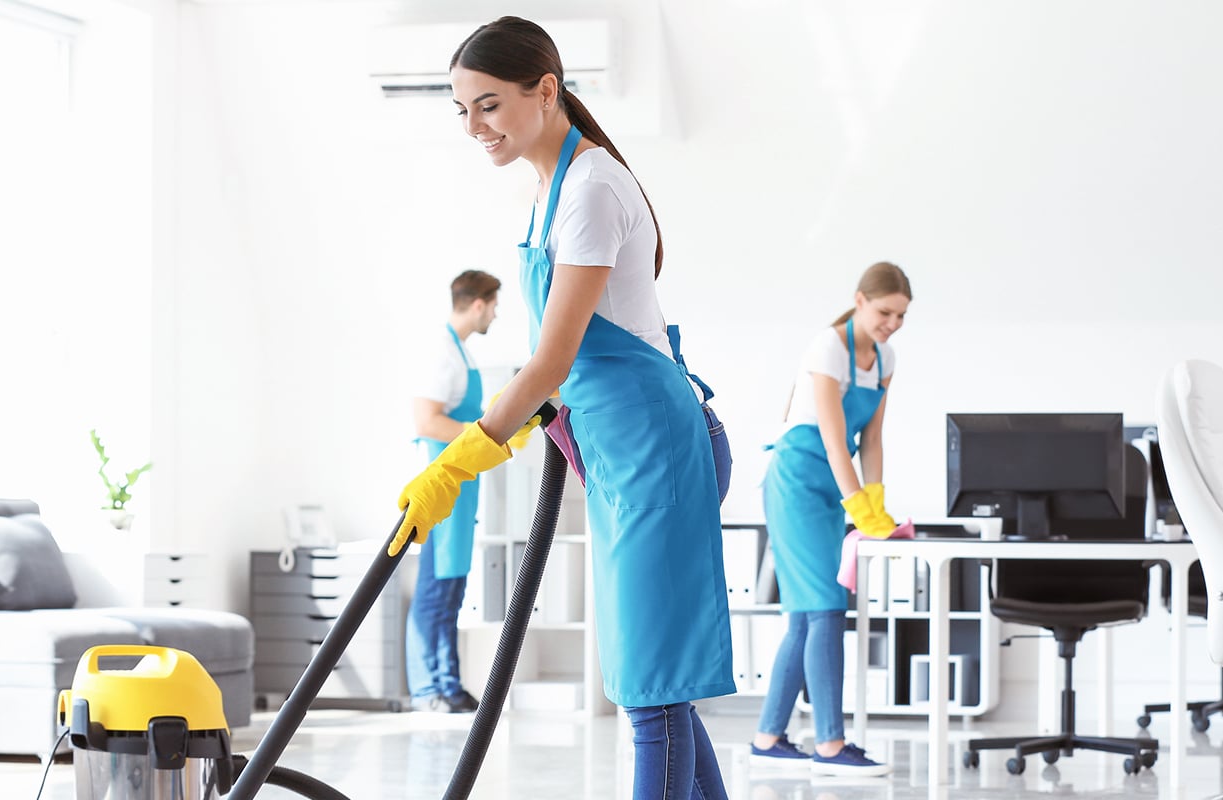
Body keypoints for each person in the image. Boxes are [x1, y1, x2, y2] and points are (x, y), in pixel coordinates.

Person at [387, 16, 734, 800]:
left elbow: (553, 359)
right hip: (618, 452)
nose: (475, 126)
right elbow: (565, 365)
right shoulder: (549, 191)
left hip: (659, 450)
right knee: (655, 680)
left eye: (489, 105)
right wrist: (550, 420)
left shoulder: (591, 185)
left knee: (649, 693)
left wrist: (462, 457)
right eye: (463, 110)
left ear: (545, 90)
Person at [750, 262, 913, 777]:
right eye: (886, 311)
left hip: (834, 486)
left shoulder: (884, 358)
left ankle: (769, 737)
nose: (892, 323)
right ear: (861, 300)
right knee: (824, 608)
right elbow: (829, 433)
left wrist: (877, 499)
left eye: (902, 316)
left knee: (806, 614)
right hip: (798, 480)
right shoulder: (829, 347)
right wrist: (858, 506)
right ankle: (829, 744)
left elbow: (872, 439)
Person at [404, 269, 501, 713]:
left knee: (452, 588)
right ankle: (428, 689)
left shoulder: (461, 353)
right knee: (434, 587)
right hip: (441, 482)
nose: (495, 314)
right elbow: (426, 421)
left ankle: (448, 683)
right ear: (478, 303)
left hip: (462, 486)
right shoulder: (441, 352)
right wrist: (479, 435)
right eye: (494, 305)